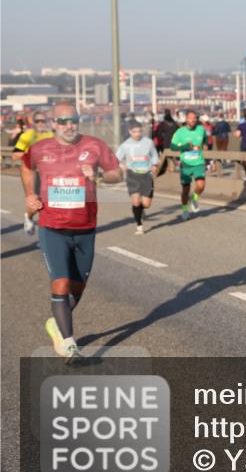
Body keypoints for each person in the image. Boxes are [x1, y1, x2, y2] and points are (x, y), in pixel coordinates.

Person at [21, 102, 122, 362]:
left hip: (85, 227)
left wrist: (98, 176)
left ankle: (56, 322)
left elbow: (117, 174)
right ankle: (70, 345)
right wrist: (30, 194)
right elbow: (25, 165)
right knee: (61, 282)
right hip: (52, 227)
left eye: (73, 120)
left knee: (78, 287)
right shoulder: (40, 148)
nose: (69, 125)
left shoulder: (94, 145)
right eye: (63, 121)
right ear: (53, 123)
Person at [13, 110, 54, 235]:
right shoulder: (27, 136)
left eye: (43, 121)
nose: (41, 123)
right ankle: (29, 216)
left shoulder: (52, 135)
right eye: (38, 121)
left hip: (49, 172)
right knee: (36, 202)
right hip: (31, 170)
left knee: (52, 202)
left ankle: (49, 234)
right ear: (33, 123)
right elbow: (15, 154)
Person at [116, 120, 158, 234]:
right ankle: (139, 225)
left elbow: (154, 155)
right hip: (132, 175)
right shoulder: (125, 145)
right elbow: (116, 159)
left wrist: (154, 164)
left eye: (139, 131)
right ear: (130, 132)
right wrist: (121, 165)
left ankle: (141, 210)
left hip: (146, 175)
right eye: (134, 132)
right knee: (135, 201)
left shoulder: (148, 142)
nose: (137, 134)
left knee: (146, 204)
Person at [170, 110, 208, 220]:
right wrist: (185, 146)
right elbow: (172, 146)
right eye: (190, 118)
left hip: (198, 162)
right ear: (186, 119)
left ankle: (194, 199)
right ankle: (185, 209)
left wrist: (205, 144)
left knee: (201, 185)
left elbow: (204, 139)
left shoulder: (201, 129)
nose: (193, 120)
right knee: (185, 190)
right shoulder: (180, 132)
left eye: (195, 118)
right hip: (186, 164)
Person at [156, 110, 178, 174]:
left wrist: (162, 138)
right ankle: (172, 168)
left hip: (166, 142)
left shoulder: (163, 124)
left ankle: (168, 169)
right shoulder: (175, 124)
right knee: (173, 156)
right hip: (174, 142)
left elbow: (159, 134)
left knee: (166, 156)